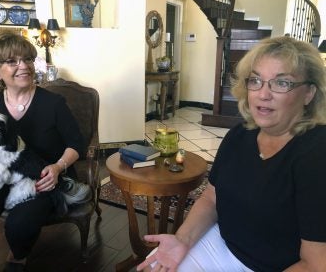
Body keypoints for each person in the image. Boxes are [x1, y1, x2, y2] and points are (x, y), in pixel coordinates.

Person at [137, 36, 326, 271]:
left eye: (281, 83)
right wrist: (182, 240)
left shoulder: (317, 154)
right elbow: (211, 198)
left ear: (309, 93)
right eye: (256, 80)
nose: (263, 94)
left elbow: (316, 264)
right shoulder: (240, 134)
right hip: (221, 244)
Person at [0, 29, 84, 272]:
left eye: (28, 59)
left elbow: (76, 144)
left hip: (42, 180)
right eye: (12, 61)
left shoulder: (53, 104)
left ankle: (17, 257)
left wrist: (58, 167)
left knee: (21, 223)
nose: (24, 66)